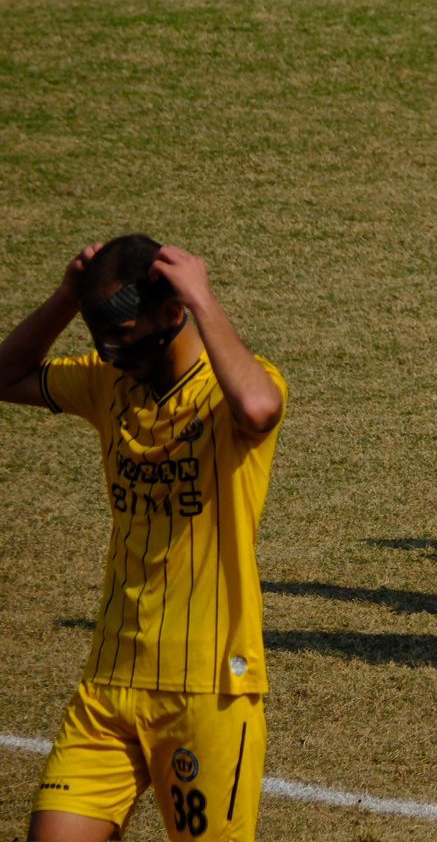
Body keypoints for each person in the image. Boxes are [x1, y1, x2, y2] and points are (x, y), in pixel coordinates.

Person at [1, 237, 286, 841]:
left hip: (207, 690)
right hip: (107, 682)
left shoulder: (231, 390)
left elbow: (260, 409)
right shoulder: (108, 383)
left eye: (125, 338)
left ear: (172, 313)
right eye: (102, 339)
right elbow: (5, 375)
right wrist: (64, 296)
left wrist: (204, 298)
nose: (113, 353)